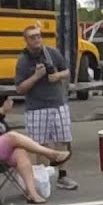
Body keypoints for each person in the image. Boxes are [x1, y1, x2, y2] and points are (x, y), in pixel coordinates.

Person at [0, 84, 71, 205]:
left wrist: (0, 116)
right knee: (12, 136)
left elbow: (3, 132)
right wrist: (1, 112)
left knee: (20, 151)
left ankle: (32, 193)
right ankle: (50, 154)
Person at [13, 24, 78, 191]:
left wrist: (57, 75)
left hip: (58, 103)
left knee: (63, 140)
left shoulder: (52, 53)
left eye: (38, 36)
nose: (37, 40)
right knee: (39, 145)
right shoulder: (23, 61)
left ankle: (63, 176)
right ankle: (44, 177)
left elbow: (67, 72)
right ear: (26, 40)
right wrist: (36, 77)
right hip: (37, 107)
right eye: (33, 37)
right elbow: (19, 89)